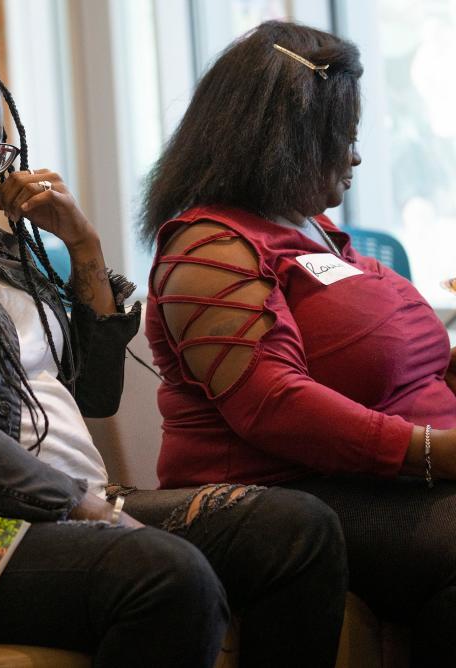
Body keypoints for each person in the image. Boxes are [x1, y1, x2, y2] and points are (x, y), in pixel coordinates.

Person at [0, 37, 345, 667]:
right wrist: (84, 507)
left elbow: (95, 394)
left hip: (65, 499)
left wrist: (83, 245)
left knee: (299, 531)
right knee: (166, 576)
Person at [141, 20, 456, 667]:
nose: (358, 156)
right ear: (289, 140)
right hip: (289, 493)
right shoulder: (209, 247)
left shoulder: (316, 233)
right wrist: (433, 451)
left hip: (378, 480)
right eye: (347, 137)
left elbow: (397, 373)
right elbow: (272, 403)